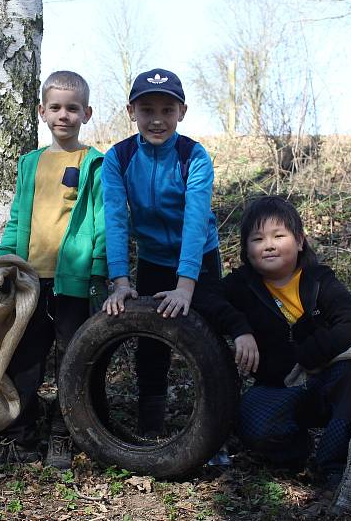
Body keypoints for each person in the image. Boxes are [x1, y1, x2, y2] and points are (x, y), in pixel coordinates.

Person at [198, 196, 351, 490]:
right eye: (257, 239)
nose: (268, 245)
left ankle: (330, 464)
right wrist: (239, 328)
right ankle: (298, 453)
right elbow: (203, 297)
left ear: (300, 241)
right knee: (252, 424)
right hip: (275, 387)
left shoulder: (320, 280)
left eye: (279, 236)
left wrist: (309, 355)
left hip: (324, 383)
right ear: (246, 250)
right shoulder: (241, 285)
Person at [0, 70, 106, 470]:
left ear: (86, 113)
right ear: (42, 112)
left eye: (72, 108)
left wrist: (100, 271)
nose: (63, 115)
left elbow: (103, 220)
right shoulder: (30, 163)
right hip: (32, 281)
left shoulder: (96, 163)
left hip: (75, 283)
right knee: (25, 359)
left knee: (73, 358)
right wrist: (5, 265)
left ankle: (66, 433)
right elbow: (17, 218)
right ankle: (20, 436)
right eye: (55, 107)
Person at [101, 68, 220, 437]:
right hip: (152, 260)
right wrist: (120, 281)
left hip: (199, 259)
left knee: (210, 340)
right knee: (152, 345)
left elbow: (195, 222)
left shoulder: (193, 156)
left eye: (167, 110)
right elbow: (116, 221)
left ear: (181, 112)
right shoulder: (118, 158)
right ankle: (151, 428)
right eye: (147, 109)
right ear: (131, 111)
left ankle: (215, 431)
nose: (157, 119)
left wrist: (186, 286)